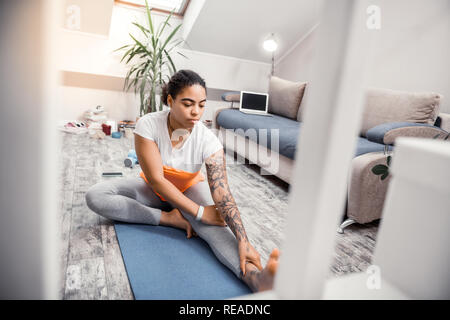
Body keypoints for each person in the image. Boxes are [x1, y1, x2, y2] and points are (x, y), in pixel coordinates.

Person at [85, 69, 279, 292]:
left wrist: (243, 239)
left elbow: (222, 192)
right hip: (152, 190)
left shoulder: (208, 140)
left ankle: (256, 280)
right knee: (96, 196)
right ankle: (170, 218)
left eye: (202, 105)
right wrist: (197, 212)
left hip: (190, 189)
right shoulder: (148, 124)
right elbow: (157, 180)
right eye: (188, 104)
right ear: (170, 100)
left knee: (214, 228)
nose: (196, 112)